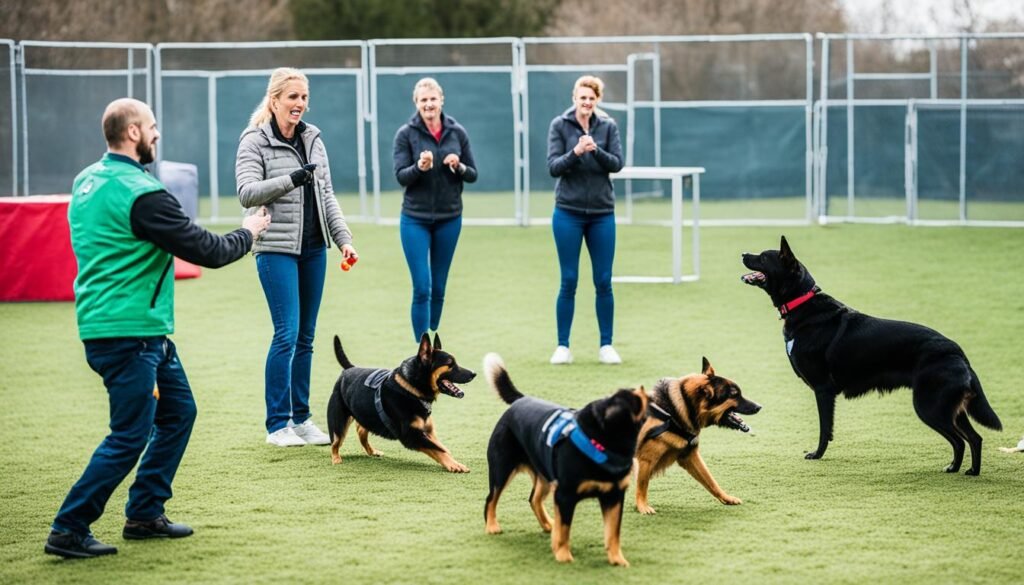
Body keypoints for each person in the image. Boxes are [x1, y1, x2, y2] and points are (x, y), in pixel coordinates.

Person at [46, 98, 272, 559]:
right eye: (152, 126)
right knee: (129, 434)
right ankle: (68, 528)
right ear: (132, 133)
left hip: (122, 326)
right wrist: (248, 232)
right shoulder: (141, 192)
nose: (157, 134)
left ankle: (145, 513)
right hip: (129, 333)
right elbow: (205, 248)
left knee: (178, 412)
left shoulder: (86, 182)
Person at [236, 67, 357, 447]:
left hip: (313, 248)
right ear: (274, 101)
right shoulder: (253, 141)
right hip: (275, 249)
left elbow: (327, 195)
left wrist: (344, 239)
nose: (300, 104)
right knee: (286, 333)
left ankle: (302, 419)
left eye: (304, 97)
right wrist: (291, 178)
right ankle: (277, 425)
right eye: (292, 97)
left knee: (306, 336)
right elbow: (246, 193)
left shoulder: (313, 138)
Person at [546, 75, 624, 365]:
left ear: (597, 100)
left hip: (602, 214)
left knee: (604, 280)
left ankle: (606, 345)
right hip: (568, 212)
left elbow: (616, 163)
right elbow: (554, 167)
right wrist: (576, 152)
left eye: (592, 98)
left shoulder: (608, 126)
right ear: (574, 98)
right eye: (582, 98)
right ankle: (563, 346)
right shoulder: (559, 126)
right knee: (569, 280)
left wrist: (596, 150)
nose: (587, 103)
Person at [392, 77, 478, 341]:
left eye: (433, 99)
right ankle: (422, 349)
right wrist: (419, 167)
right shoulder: (406, 134)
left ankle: (433, 338)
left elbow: (472, 174)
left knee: (439, 287)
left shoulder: (457, 133)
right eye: (423, 100)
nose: (429, 104)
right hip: (414, 219)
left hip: (449, 219)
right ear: (416, 103)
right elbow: (401, 176)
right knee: (422, 287)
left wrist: (458, 166)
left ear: (441, 100)